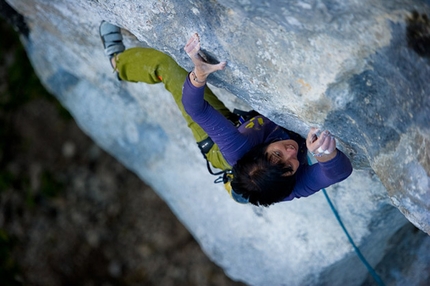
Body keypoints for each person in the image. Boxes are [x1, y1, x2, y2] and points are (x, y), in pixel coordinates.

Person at [99, 21, 353, 206]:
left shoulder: (238, 148)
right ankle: (242, 190)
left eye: (277, 154)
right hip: (251, 131)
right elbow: (339, 172)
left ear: (258, 150)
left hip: (226, 147)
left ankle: (117, 61)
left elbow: (196, 108)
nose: (290, 151)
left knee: (168, 67)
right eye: (288, 165)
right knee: (253, 183)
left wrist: (198, 75)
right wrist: (326, 155)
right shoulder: (290, 188)